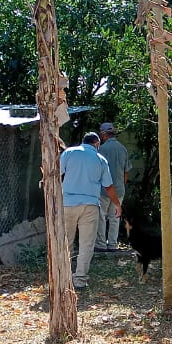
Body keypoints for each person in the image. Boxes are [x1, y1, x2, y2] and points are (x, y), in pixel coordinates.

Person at [60, 132, 121, 290]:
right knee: (86, 244)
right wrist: (117, 204)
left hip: (67, 204)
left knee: (66, 241)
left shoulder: (69, 153)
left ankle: (62, 277)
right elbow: (108, 186)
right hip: (90, 205)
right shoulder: (100, 160)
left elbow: (56, 174)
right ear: (97, 144)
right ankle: (79, 279)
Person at [94, 122, 130, 252]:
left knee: (101, 216)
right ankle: (113, 244)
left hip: (103, 190)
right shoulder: (123, 148)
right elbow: (126, 172)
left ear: (103, 135)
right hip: (119, 189)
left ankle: (101, 244)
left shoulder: (101, 150)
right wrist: (122, 186)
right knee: (115, 217)